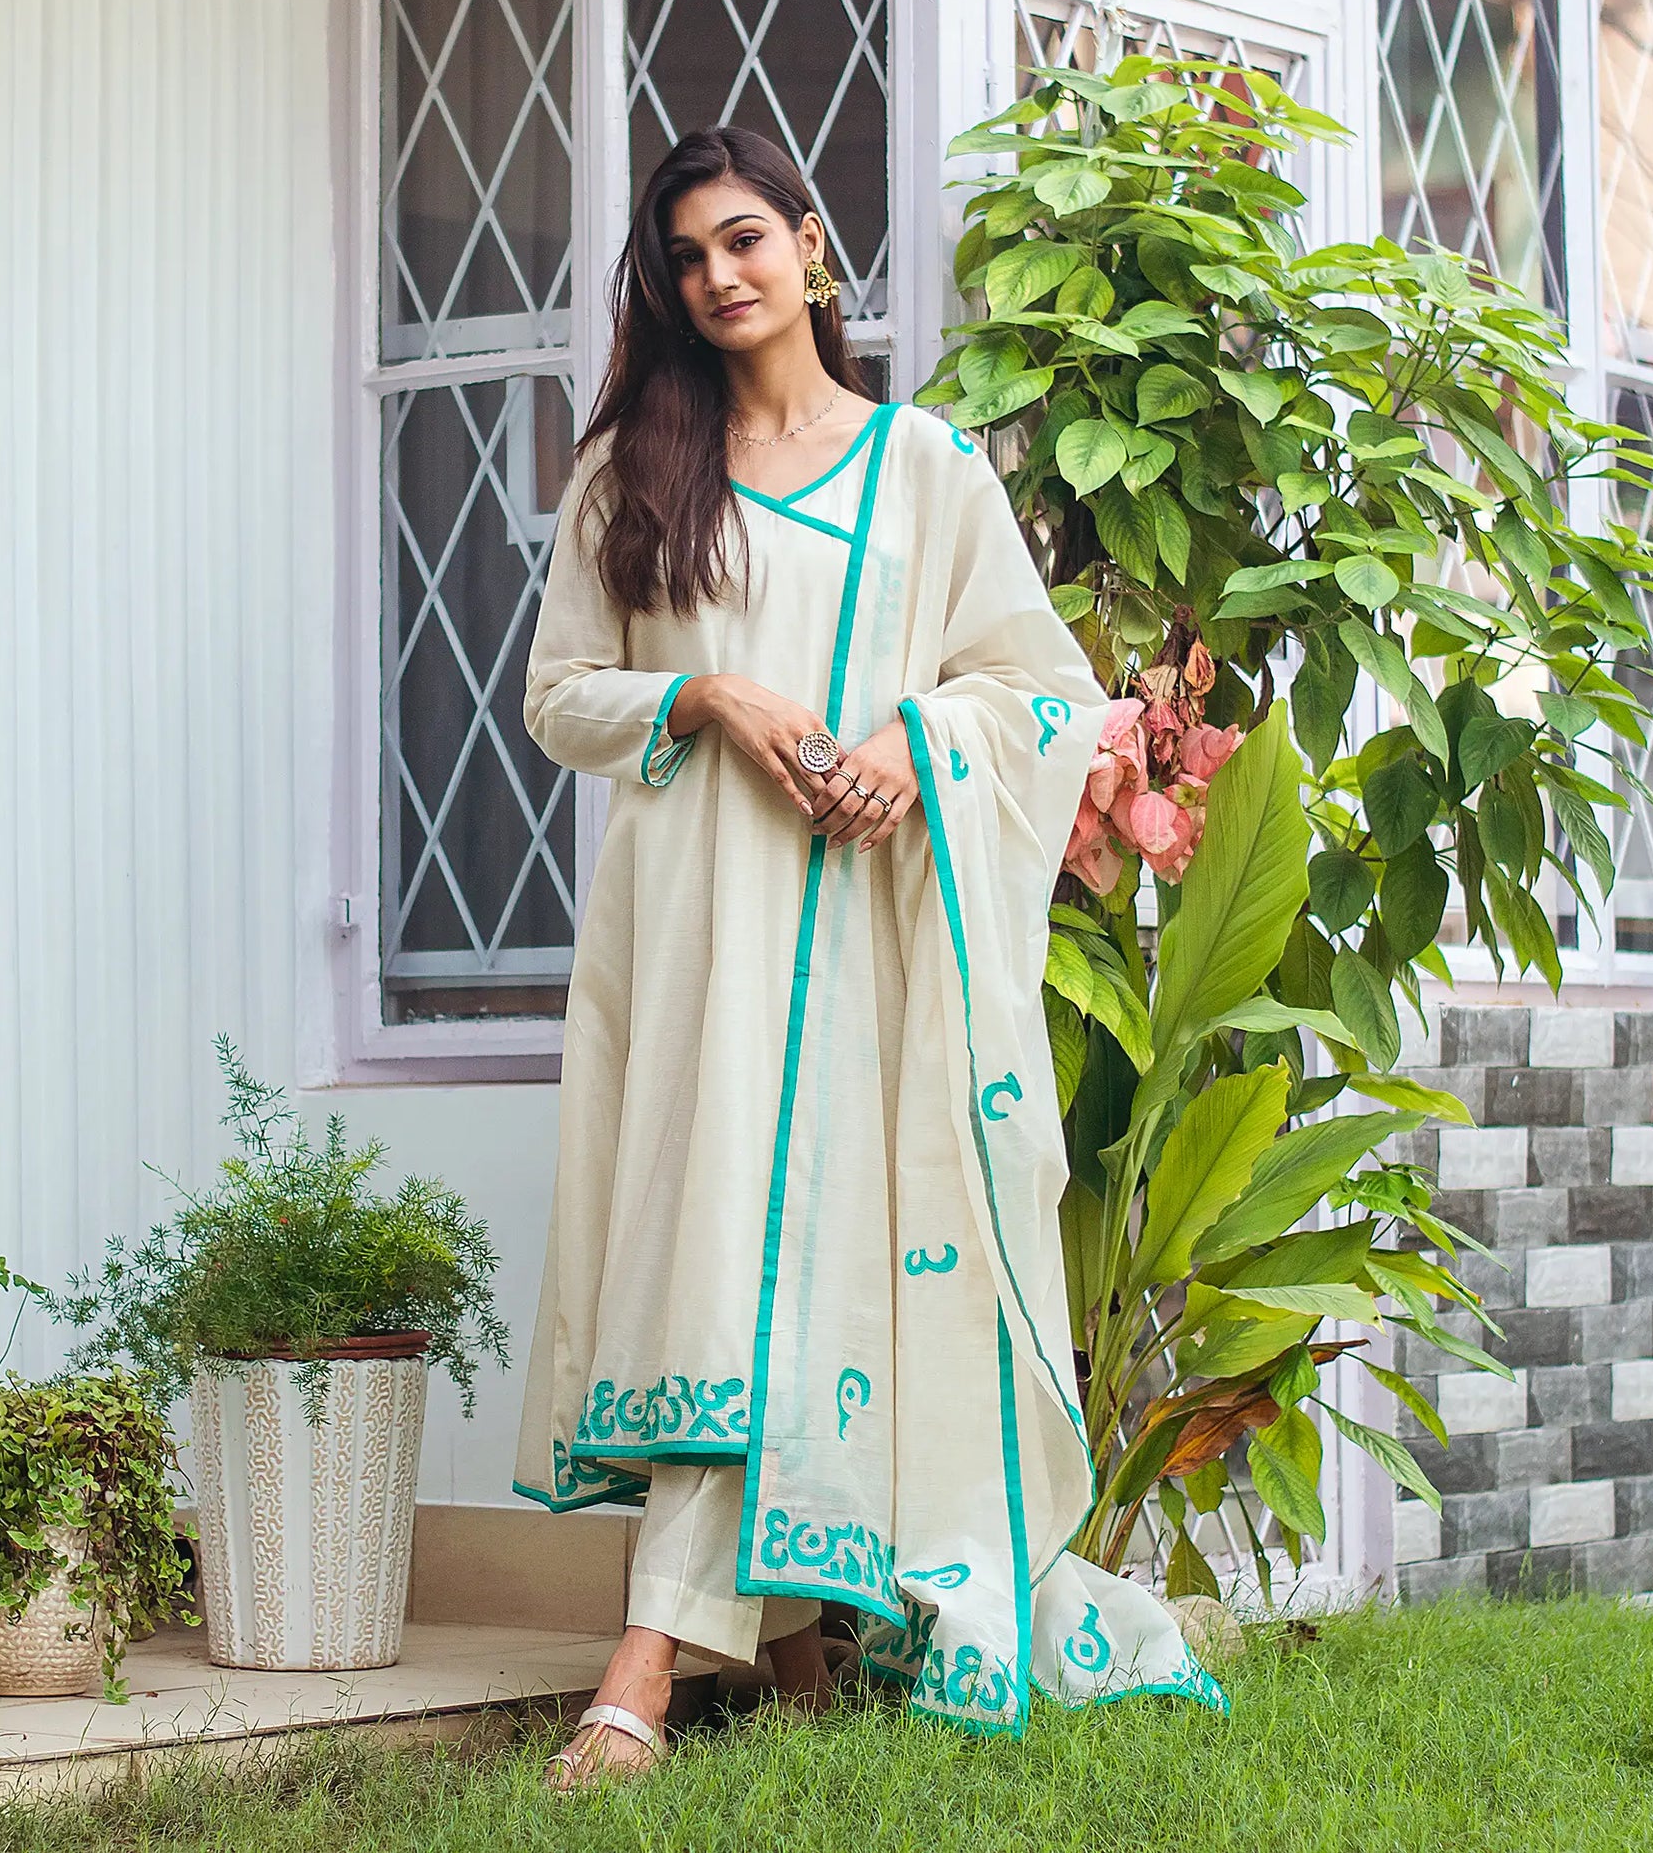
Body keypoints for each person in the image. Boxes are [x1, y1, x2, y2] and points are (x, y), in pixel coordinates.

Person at [514, 126, 1227, 1793]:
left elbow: (1041, 691)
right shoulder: (631, 477)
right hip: (700, 941)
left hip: (867, 943)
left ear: (814, 248)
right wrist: (703, 698)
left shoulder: (924, 470)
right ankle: (773, 1642)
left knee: (795, 1265)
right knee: (721, 1263)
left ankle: (659, 1665)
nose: (720, 276)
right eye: (687, 256)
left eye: (746, 237)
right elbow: (557, 697)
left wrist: (919, 741)